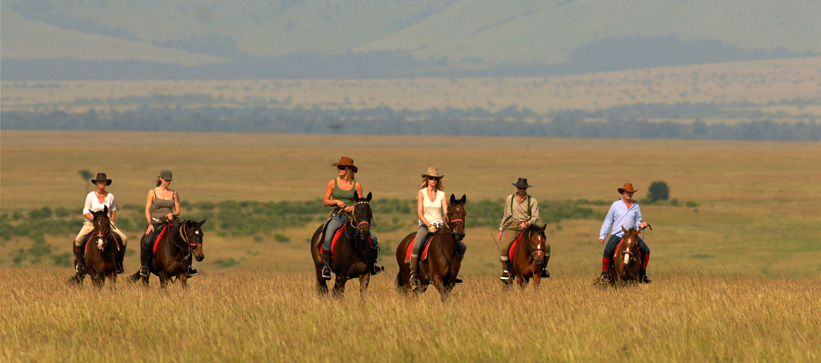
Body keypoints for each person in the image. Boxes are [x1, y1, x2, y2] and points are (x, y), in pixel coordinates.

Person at [320, 157, 383, 280]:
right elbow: (325, 201)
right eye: (338, 167)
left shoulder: (357, 185)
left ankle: (373, 264)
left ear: (348, 170)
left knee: (373, 238)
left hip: (354, 219)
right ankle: (326, 267)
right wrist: (337, 201)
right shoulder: (332, 183)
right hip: (337, 217)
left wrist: (352, 207)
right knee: (327, 238)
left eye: (342, 167)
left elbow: (362, 203)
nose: (339, 169)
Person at [72, 173, 128, 274]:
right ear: (96, 183)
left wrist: (112, 222)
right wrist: (95, 220)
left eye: (103, 181)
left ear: (106, 183)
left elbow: (113, 210)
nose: (101, 183)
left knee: (124, 239)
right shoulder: (90, 196)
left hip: (106, 224)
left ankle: (119, 263)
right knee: (78, 240)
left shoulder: (110, 196)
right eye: (99, 181)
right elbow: (85, 212)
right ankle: (80, 264)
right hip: (91, 223)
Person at [599, 183, 652, 283]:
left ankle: (642, 274)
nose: (629, 194)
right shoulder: (615, 205)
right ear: (623, 192)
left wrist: (641, 225)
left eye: (631, 192)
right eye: (627, 192)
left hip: (631, 235)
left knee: (646, 250)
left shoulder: (636, 206)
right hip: (618, 234)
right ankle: (604, 274)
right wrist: (603, 235)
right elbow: (608, 221)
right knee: (607, 251)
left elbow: (638, 220)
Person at [139, 170, 188, 277]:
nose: (167, 182)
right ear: (161, 179)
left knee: (186, 239)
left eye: (169, 181)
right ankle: (145, 267)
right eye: (166, 180)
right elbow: (147, 209)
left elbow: (178, 210)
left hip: (171, 222)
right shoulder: (152, 192)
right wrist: (150, 223)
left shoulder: (174, 193)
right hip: (156, 222)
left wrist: (173, 214)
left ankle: (188, 267)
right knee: (147, 242)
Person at [408, 167, 450, 287]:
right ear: (427, 179)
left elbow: (446, 213)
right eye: (431, 178)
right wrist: (429, 225)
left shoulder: (442, 194)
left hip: (440, 225)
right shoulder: (421, 193)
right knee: (416, 245)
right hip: (426, 225)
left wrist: (447, 224)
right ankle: (413, 273)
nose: (433, 180)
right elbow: (420, 213)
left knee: (460, 246)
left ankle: (453, 273)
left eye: (436, 178)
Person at [496, 178, 545, 280]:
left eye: (523, 188)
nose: (521, 190)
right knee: (505, 249)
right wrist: (501, 229)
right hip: (514, 226)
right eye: (520, 188)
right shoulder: (510, 198)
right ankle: (506, 271)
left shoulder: (532, 201)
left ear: (526, 188)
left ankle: (543, 268)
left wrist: (527, 223)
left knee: (545, 246)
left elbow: (535, 217)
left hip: (529, 227)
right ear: (517, 188)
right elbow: (507, 215)